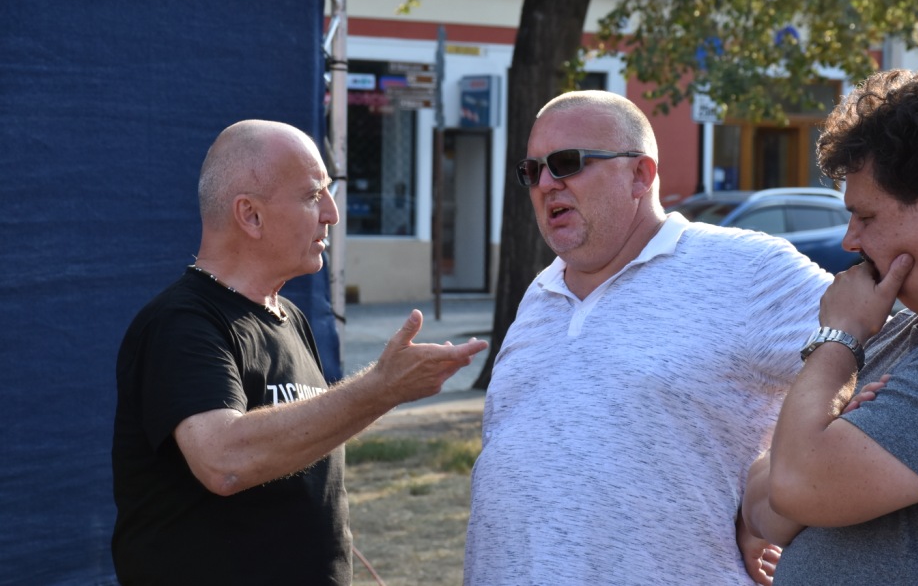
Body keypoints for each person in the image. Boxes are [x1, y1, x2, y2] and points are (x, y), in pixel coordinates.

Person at [463, 90, 833, 585]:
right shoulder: (540, 293)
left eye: (567, 163)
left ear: (640, 174)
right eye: (532, 171)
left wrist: (768, 501)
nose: (546, 183)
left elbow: (893, 362)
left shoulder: (745, 269)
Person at [111, 120, 487, 585]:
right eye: (313, 196)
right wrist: (381, 388)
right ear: (250, 215)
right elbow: (224, 461)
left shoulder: (289, 316)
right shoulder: (181, 323)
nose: (332, 213)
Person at [742, 62, 918, 583]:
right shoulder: (899, 329)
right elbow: (765, 509)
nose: (849, 240)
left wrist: (837, 343)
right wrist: (817, 445)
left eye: (866, 217)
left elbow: (795, 484)